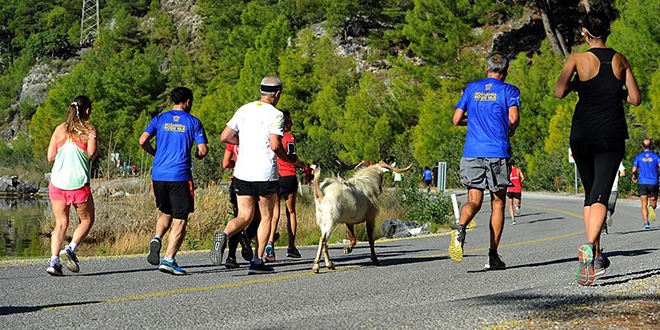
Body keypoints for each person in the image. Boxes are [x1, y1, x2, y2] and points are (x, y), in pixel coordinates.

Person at [555, 10, 641, 285]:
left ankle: (597, 255)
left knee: (590, 196)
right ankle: (590, 247)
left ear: (584, 33)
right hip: (610, 135)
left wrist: (577, 84)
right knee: (602, 195)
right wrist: (616, 91)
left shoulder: (576, 59)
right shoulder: (620, 59)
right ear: (608, 33)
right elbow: (636, 99)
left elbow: (559, 91)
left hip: (581, 134)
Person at [210, 76, 296, 275]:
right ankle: (257, 261)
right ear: (277, 94)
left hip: (242, 172)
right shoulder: (276, 114)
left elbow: (225, 136)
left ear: (261, 91)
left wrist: (244, 140)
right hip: (265, 173)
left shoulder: (244, 109)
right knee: (265, 216)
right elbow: (275, 145)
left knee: (244, 216)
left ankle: (223, 234)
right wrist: (288, 159)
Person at [449, 52, 520, 271]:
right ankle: (492, 255)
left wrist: (474, 121)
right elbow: (513, 119)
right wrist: (509, 129)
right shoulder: (509, 90)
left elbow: (456, 119)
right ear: (506, 71)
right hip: (497, 152)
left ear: (485, 68)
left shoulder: (471, 88)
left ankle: (460, 227)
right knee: (497, 202)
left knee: (474, 199)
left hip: (472, 152)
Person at [139, 87, 209, 275]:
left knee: (165, 211)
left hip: (159, 174)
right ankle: (169, 259)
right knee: (180, 219)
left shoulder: (160, 119)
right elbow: (202, 149)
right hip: (180, 175)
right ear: (187, 102)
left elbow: (142, 140)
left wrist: (155, 152)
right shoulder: (193, 121)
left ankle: (157, 237)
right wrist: (198, 154)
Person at [46, 96, 98, 276]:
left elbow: (50, 156)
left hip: (58, 183)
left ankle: (53, 261)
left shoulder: (59, 129)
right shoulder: (89, 129)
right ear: (88, 111)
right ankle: (70, 248)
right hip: (78, 184)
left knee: (60, 224)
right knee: (87, 220)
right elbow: (91, 153)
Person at [265, 110, 302, 262]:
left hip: (274, 176)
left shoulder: (270, 136)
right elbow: (292, 157)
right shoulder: (289, 137)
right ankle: (291, 247)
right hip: (288, 176)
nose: (291, 124)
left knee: (274, 214)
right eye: (289, 122)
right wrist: (301, 164)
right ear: (285, 124)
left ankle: (270, 244)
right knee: (291, 212)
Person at [222, 143, 259, 269]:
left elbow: (226, 163)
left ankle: (231, 257)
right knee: (258, 218)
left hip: (236, 181)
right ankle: (247, 237)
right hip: (255, 180)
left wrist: (236, 164)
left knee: (238, 218)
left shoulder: (232, 142)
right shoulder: (255, 138)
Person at [632, 139, 660, 230]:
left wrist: (634, 176)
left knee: (643, 204)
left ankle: (646, 222)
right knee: (654, 201)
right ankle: (651, 207)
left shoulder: (639, 157)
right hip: (653, 182)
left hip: (642, 182)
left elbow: (634, 169)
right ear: (651, 146)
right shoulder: (656, 156)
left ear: (642, 146)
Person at [602, 162, 625, 234]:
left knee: (602, 208)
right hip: (614, 188)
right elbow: (623, 173)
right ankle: (608, 213)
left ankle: (604, 228)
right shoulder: (617, 159)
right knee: (611, 208)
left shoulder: (599, 159)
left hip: (602, 188)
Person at [506, 160, 525, 225]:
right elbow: (523, 178)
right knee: (518, 202)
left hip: (510, 189)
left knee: (510, 205)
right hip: (517, 188)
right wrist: (520, 183)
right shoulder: (518, 170)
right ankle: (517, 207)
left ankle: (513, 220)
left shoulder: (508, 172)